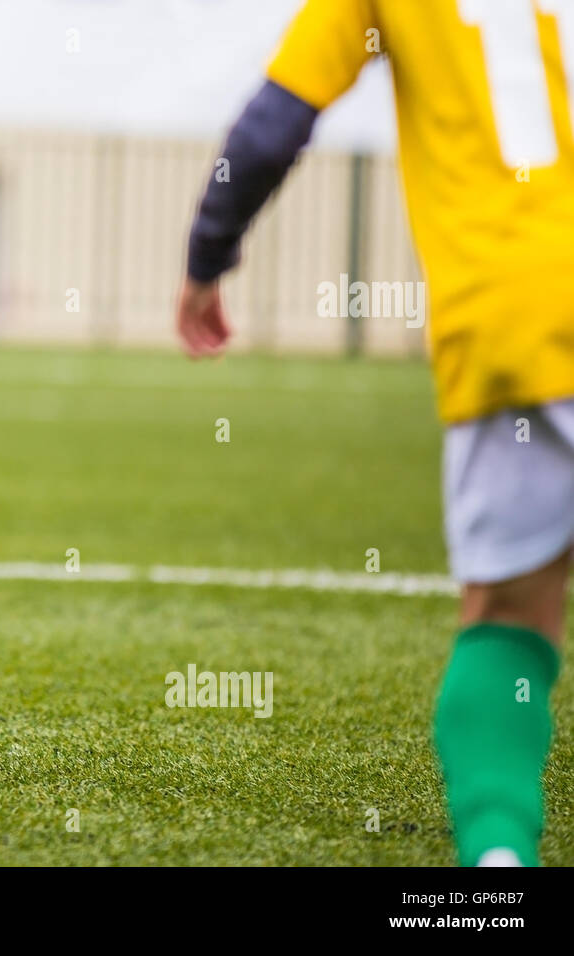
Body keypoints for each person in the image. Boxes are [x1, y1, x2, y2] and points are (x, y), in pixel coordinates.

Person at [177, 0, 573, 866]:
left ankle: (500, 865)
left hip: (522, 310)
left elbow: (274, 123)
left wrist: (208, 257)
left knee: (511, 619)